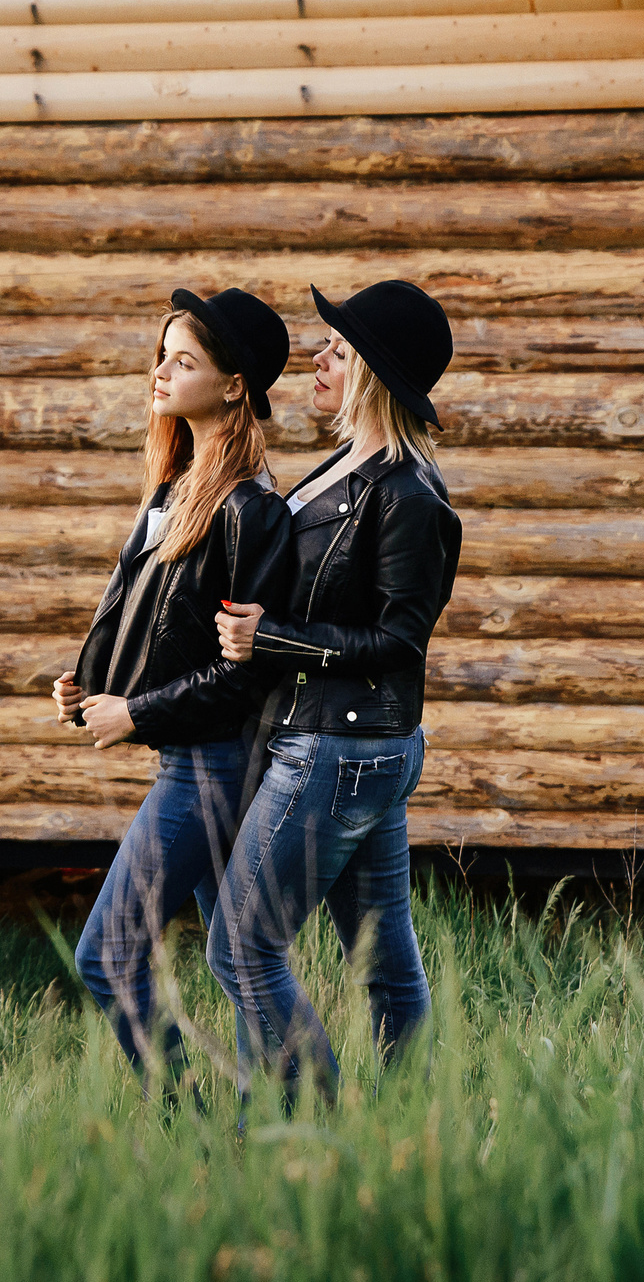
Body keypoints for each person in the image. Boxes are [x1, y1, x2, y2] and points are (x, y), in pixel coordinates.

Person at [207, 279, 461, 1105]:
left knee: (240, 946)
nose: (320, 357)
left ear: (375, 378)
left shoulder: (406, 495)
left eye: (341, 352)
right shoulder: (343, 468)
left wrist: (270, 640)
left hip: (343, 746)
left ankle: (310, 1117)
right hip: (343, 743)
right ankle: (414, 1128)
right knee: (384, 964)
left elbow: (399, 641)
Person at [54, 288, 296, 1081]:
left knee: (108, 957)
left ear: (234, 386)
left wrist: (139, 712)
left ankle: (188, 1119)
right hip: (188, 761)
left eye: (183, 361)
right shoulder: (177, 488)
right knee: (242, 966)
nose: (159, 372)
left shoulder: (248, 510)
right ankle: (271, 1123)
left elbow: (241, 671)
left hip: (213, 767)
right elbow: (152, 621)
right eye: (161, 355)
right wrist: (91, 686)